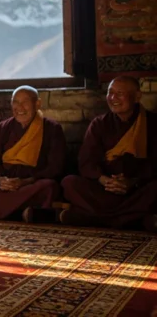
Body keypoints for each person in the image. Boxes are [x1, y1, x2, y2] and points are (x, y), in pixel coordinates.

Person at [61, 76, 157, 230]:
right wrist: (104, 180)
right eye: (110, 93)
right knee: (69, 182)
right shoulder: (100, 124)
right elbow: (86, 161)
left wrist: (132, 182)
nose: (113, 98)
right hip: (105, 189)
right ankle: (133, 220)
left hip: (137, 189)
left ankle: (93, 218)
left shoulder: (153, 123)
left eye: (119, 93)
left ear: (137, 96)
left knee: (154, 190)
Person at [0, 86, 66, 222]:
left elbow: (55, 167)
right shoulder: (3, 128)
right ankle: (21, 212)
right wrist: (0, 179)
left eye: (25, 102)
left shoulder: (52, 128)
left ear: (37, 103)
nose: (19, 107)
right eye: (15, 102)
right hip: (5, 184)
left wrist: (25, 182)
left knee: (49, 186)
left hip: (30, 184)